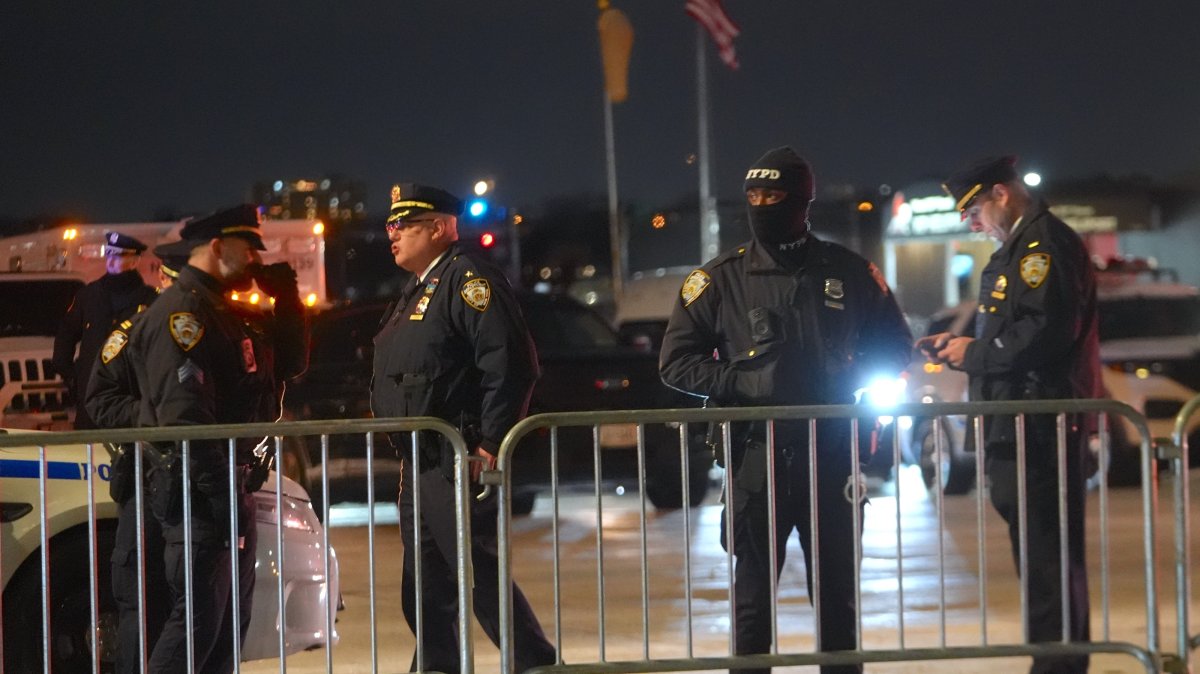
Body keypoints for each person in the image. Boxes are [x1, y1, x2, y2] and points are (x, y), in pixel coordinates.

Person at [659, 147, 912, 674]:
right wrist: (742, 381)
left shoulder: (848, 270)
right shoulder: (719, 278)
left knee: (838, 607)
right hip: (758, 461)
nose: (761, 205)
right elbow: (675, 363)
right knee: (752, 609)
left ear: (803, 201)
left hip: (833, 457)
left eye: (773, 196)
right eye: (753, 196)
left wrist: (848, 378)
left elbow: (895, 347)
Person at [920, 155, 1100, 674]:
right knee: (1039, 558)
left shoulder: (1043, 246)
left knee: (1049, 558)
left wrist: (970, 353)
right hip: (1014, 422)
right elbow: (1014, 332)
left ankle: (1059, 666)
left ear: (1001, 193)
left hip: (1039, 424)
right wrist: (961, 345)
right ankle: (1052, 661)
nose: (971, 224)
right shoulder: (1016, 249)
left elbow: (1042, 334)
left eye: (974, 211)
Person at [370, 183, 557, 673]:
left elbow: (511, 364)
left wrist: (491, 442)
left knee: (480, 579)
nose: (392, 235)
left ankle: (535, 663)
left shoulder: (468, 280)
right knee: (426, 590)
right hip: (421, 461)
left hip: (457, 458)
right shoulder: (421, 287)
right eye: (390, 226)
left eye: (403, 226)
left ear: (438, 227)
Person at [123, 205, 308, 673]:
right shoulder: (183, 315)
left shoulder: (223, 310)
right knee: (195, 628)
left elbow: (286, 363)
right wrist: (222, 497)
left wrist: (286, 297)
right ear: (218, 248)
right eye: (248, 249)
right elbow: (188, 424)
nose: (254, 260)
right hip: (199, 498)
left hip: (229, 492)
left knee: (227, 630)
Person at [85, 240, 191, 674]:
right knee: (139, 600)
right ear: (164, 278)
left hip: (204, 484)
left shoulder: (219, 328)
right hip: (148, 483)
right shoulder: (135, 330)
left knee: (195, 602)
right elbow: (100, 398)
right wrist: (154, 417)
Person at [52, 231, 158, 429]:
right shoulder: (89, 295)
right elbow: (66, 334)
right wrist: (73, 374)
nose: (111, 260)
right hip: (90, 394)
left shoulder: (149, 300)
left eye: (118, 255)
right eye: (108, 253)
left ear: (134, 261)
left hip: (129, 395)